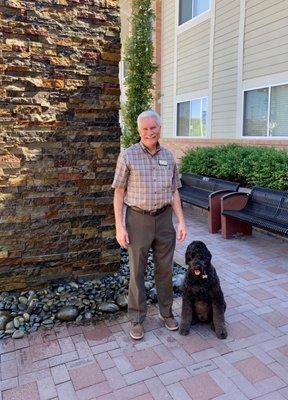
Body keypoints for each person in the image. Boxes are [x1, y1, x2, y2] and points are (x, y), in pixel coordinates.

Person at [112, 110, 186, 340]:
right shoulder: (128, 156)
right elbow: (119, 192)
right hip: (138, 219)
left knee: (165, 269)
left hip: (164, 220)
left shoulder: (169, 156)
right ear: (138, 131)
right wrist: (120, 226)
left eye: (153, 127)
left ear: (159, 128)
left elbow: (174, 191)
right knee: (137, 271)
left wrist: (181, 220)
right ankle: (136, 318)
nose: (149, 132)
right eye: (144, 128)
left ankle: (167, 312)